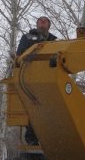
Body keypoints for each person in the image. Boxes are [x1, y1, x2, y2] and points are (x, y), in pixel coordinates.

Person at [16, 16, 57, 146]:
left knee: (50, 111)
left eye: (45, 21)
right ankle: (32, 139)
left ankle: (49, 138)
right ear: (37, 24)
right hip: (30, 79)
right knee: (33, 110)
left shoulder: (54, 41)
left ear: (49, 25)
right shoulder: (27, 38)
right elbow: (20, 55)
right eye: (40, 21)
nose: (42, 23)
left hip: (50, 80)